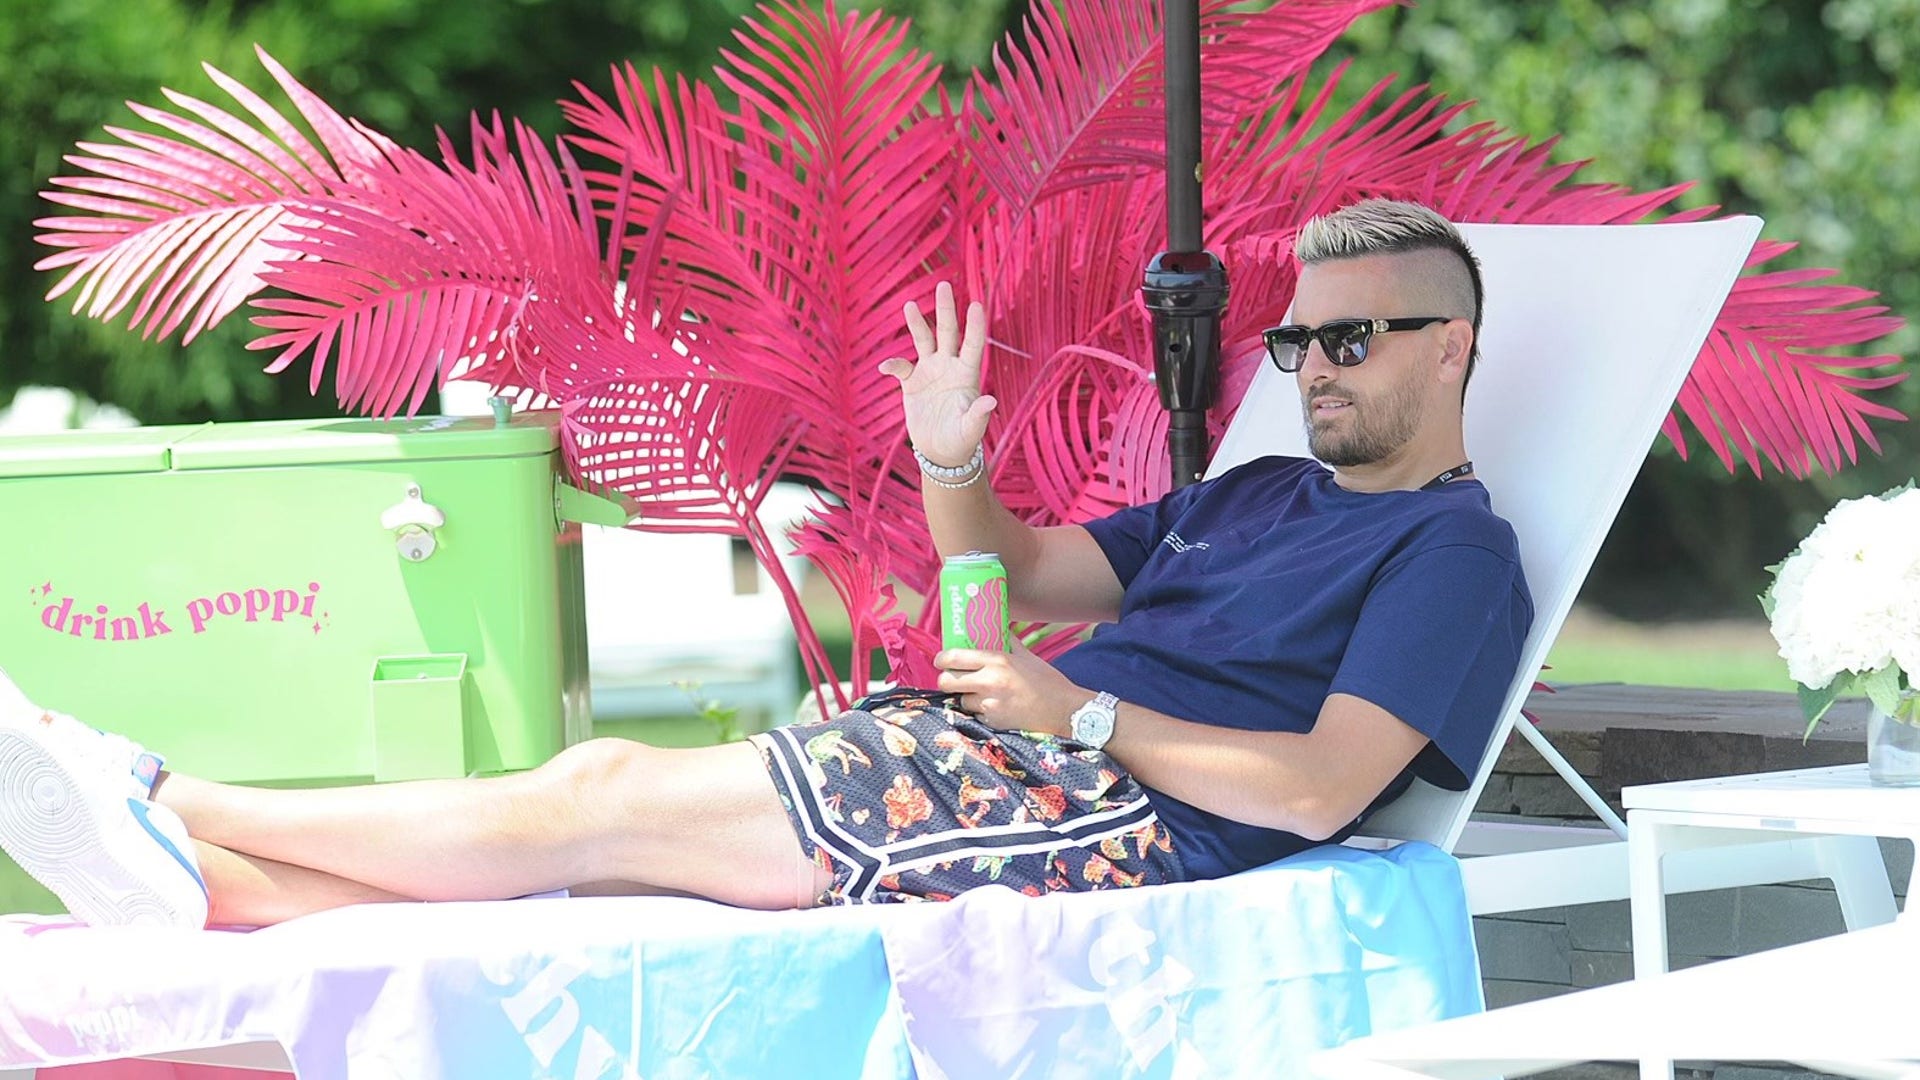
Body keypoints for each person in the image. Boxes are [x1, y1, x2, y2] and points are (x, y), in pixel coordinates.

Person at [0, 198, 1531, 929]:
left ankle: (161, 798)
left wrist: (1071, 719)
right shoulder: (1255, 487)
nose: (1310, 367)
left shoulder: (1453, 551)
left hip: (1105, 810)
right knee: (591, 859)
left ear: (1448, 346)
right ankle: (193, 882)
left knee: (599, 802)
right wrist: (950, 455)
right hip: (1004, 755)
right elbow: (1015, 565)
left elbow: (1326, 793)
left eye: (1348, 340)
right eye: (1295, 339)